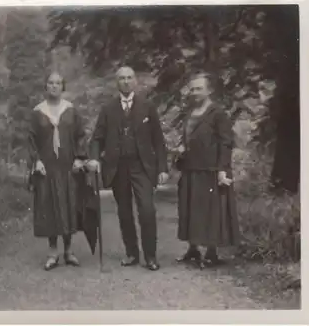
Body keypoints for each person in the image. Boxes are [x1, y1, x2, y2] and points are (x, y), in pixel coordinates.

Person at [86, 66, 169, 271]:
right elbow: (97, 138)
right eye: (121, 78)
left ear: (135, 81)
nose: (125, 81)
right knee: (124, 212)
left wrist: (162, 168)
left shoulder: (147, 106)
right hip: (118, 167)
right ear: (117, 82)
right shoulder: (108, 109)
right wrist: (95, 158)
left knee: (147, 210)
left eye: (129, 78)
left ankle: (150, 256)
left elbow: (158, 140)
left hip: (142, 166)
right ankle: (132, 253)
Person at [174, 70, 241, 269]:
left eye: (199, 89)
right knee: (189, 209)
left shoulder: (217, 113)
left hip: (210, 169)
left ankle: (211, 253)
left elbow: (226, 142)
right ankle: (193, 249)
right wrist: (181, 147)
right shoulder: (190, 113)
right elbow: (188, 136)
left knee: (210, 211)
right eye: (192, 89)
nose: (194, 92)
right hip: (191, 168)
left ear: (209, 90)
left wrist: (222, 169)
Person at [27, 72, 88, 271]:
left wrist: (80, 157)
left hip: (67, 165)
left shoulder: (71, 111)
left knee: (68, 204)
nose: (54, 86)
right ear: (45, 87)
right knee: (49, 205)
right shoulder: (37, 112)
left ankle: (69, 251)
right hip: (47, 166)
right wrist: (36, 161)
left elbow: (80, 135)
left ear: (63, 86)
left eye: (58, 83)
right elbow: (31, 140)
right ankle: (53, 252)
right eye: (50, 83)